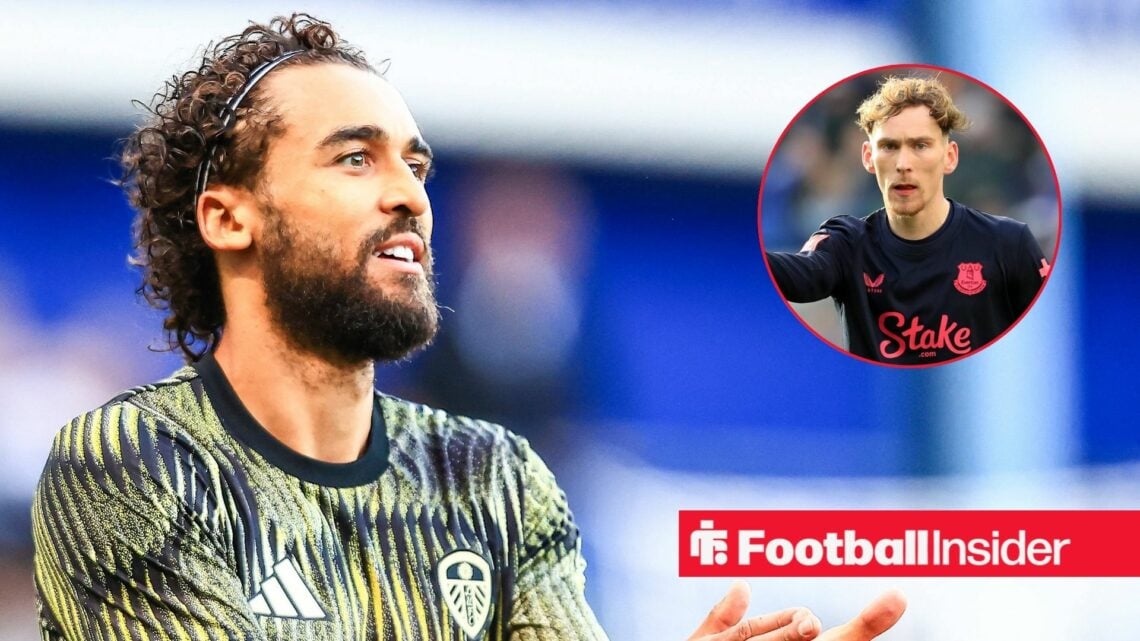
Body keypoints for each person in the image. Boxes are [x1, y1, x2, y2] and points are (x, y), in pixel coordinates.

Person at [31, 14, 905, 640]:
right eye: (354, 157)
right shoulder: (127, 463)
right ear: (230, 218)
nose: (410, 194)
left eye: (416, 165)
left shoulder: (501, 477)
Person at [765, 75, 1050, 365]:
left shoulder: (1009, 243)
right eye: (889, 146)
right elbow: (801, 272)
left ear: (950, 156)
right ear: (868, 157)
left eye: (920, 146)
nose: (903, 164)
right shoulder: (845, 243)